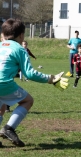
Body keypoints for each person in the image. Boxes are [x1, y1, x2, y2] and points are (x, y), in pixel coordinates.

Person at [0, 18, 68, 147]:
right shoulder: (20, 49)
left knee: (1, 108)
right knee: (27, 101)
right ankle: (9, 128)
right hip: (4, 83)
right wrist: (51, 79)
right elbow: (29, 73)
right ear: (21, 35)